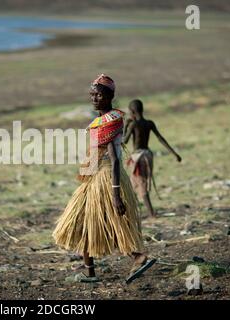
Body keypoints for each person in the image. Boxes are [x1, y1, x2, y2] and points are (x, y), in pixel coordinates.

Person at [53, 74, 155, 283]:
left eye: (98, 95)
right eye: (92, 94)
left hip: (107, 177)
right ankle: (89, 269)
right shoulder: (100, 121)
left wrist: (116, 194)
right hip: (95, 177)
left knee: (106, 220)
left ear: (109, 97)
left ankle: (137, 256)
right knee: (83, 219)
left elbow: (116, 159)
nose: (94, 98)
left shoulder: (111, 121)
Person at [123, 99, 182, 218]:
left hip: (139, 157)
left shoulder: (134, 124)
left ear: (132, 112)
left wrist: (125, 126)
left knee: (140, 183)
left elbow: (124, 141)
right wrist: (174, 153)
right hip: (148, 155)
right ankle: (137, 211)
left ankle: (151, 214)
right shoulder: (149, 123)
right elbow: (161, 138)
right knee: (139, 182)